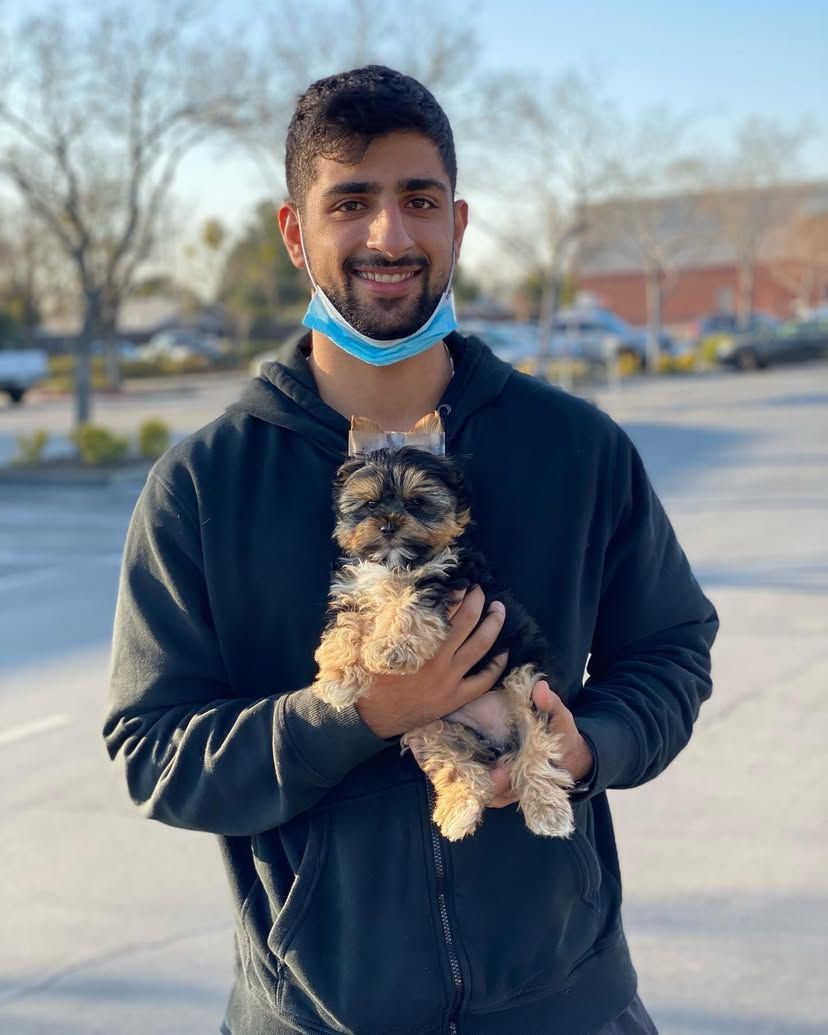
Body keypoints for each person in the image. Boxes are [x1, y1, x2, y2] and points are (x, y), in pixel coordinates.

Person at [104, 66, 718, 1035]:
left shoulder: (575, 448)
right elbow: (153, 751)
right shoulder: (203, 488)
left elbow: (674, 650)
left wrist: (588, 744)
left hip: (571, 1009)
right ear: (296, 234)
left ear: (459, 225)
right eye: (352, 201)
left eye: (417, 200)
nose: (390, 236)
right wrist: (358, 714)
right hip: (313, 1017)